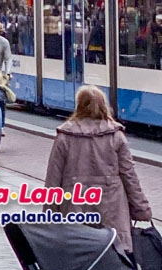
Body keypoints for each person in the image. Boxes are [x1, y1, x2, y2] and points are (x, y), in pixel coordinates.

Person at [44, 85, 151, 256]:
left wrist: (49, 215)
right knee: (114, 254)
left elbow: (53, 179)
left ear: (79, 105)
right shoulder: (116, 136)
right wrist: (141, 208)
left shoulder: (64, 136)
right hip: (112, 208)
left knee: (80, 256)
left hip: (75, 207)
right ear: (103, 105)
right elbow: (129, 176)